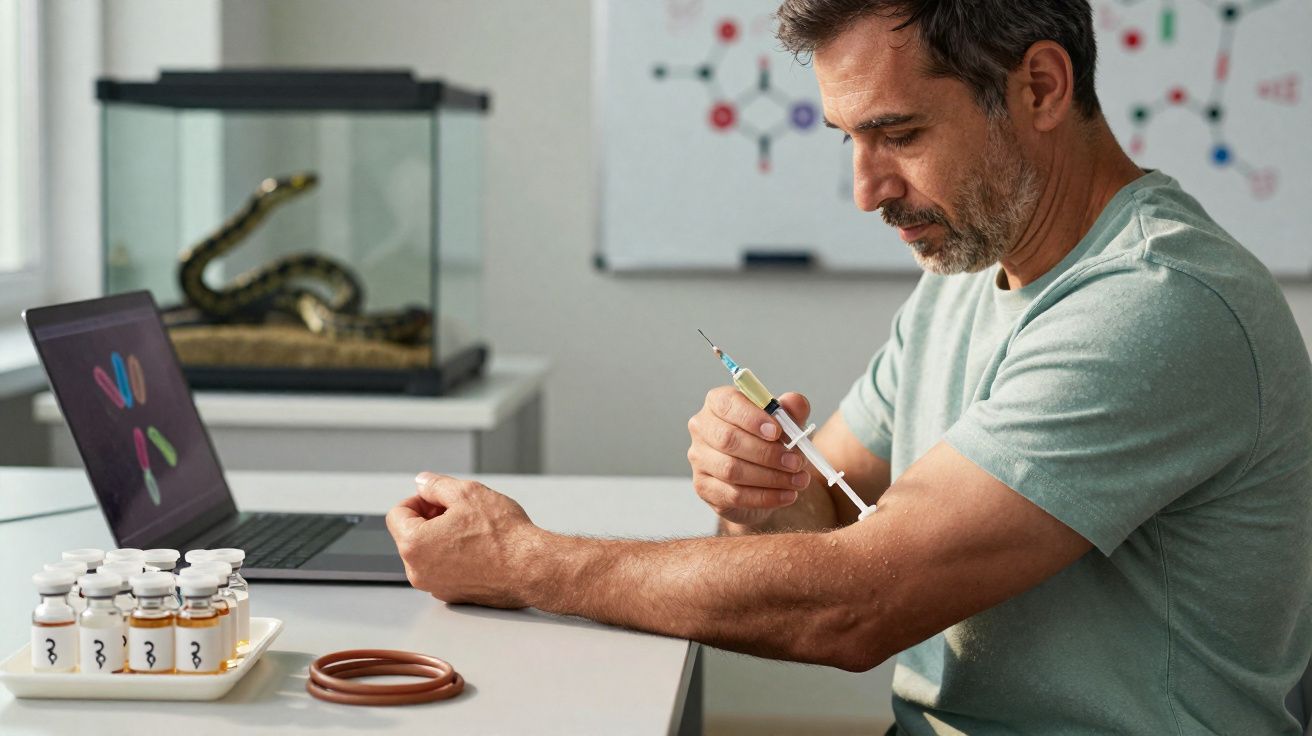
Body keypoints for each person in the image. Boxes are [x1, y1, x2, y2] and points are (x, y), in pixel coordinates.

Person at [386, 1, 1312, 732]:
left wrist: (523, 562)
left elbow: (856, 606)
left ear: (1039, 86)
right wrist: (759, 483)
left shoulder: (1157, 304)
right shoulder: (972, 262)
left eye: (899, 135)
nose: (866, 189)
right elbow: (822, 510)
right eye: (849, 138)